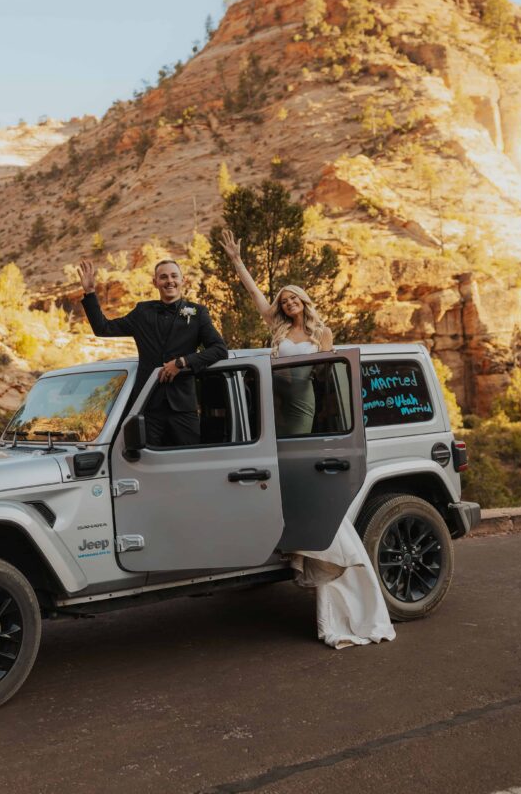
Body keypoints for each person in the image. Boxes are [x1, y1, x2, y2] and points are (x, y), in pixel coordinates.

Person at [219, 228, 395, 649]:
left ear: (304, 302)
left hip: (301, 408)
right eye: (283, 301)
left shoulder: (322, 334)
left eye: (293, 299)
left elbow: (330, 381)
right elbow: (255, 295)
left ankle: (318, 543)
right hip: (271, 407)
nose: (287, 304)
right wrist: (237, 260)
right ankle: (295, 535)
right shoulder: (276, 329)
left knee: (289, 473)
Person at [77, 257, 228, 447]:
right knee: (144, 462)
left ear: (184, 280)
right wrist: (90, 292)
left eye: (174, 276)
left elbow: (220, 350)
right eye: (163, 277)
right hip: (147, 406)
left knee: (188, 460)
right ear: (155, 282)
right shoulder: (142, 312)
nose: (169, 281)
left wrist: (182, 362)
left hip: (183, 407)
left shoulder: (198, 313)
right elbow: (103, 328)